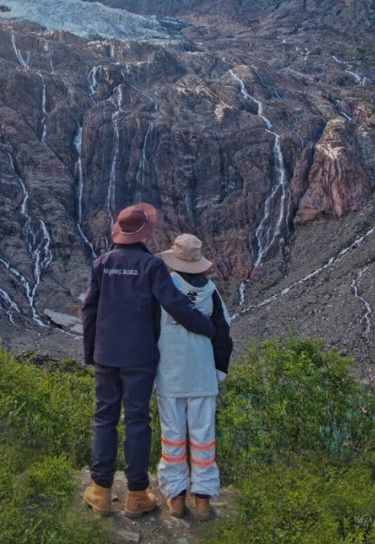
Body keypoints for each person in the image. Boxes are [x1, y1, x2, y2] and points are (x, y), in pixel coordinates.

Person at [81, 202, 217, 519]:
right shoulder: (151, 266)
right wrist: (208, 329)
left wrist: (91, 353)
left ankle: (100, 491)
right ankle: (137, 494)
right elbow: (176, 306)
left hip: (105, 354)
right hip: (139, 358)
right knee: (137, 421)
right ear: (146, 233)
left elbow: (89, 310)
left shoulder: (102, 263)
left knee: (104, 417)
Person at [154, 233, 232, 520]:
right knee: (203, 438)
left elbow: (150, 328)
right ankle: (202, 499)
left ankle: (175, 497)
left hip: (170, 376)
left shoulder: (164, 288)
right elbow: (223, 334)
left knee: (172, 438)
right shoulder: (211, 292)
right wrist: (220, 371)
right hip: (202, 376)